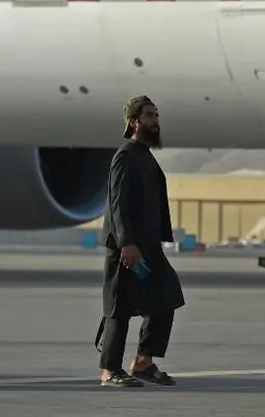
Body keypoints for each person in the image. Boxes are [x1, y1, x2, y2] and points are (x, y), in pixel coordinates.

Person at [95, 95, 185, 388]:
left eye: (157, 115)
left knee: (167, 297)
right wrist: (126, 243)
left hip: (148, 247)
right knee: (119, 309)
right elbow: (117, 203)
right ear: (134, 121)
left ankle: (143, 361)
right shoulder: (125, 155)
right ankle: (110, 370)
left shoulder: (145, 156)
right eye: (149, 115)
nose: (155, 120)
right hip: (127, 247)